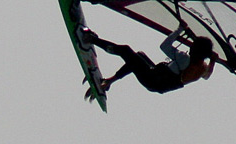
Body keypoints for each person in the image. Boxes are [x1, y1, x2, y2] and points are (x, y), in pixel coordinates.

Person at [80, 25, 215, 101]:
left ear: (195, 49)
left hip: (153, 79)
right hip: (158, 84)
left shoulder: (184, 59)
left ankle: (91, 40)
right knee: (138, 57)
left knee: (126, 51)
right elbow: (207, 75)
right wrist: (213, 60)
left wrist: (179, 30)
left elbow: (164, 46)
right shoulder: (201, 67)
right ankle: (108, 82)